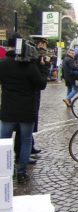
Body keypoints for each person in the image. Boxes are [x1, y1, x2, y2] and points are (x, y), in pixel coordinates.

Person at [0, 32, 48, 183]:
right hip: (27, 109)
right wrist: (43, 67)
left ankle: (4, 169)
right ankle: (21, 172)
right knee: (26, 140)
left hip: (8, 109)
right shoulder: (30, 65)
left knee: (4, 141)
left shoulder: (3, 64)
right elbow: (41, 84)